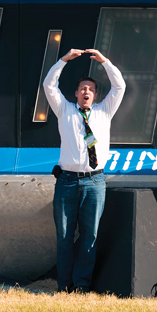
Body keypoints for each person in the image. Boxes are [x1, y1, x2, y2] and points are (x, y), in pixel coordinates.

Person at [43, 48, 125, 293]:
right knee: (65, 236)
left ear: (96, 94)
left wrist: (105, 62)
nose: (86, 92)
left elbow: (119, 86)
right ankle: (64, 284)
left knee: (89, 236)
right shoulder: (64, 110)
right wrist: (64, 60)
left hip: (95, 181)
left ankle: (81, 284)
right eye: (82, 89)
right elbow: (49, 84)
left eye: (90, 89)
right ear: (76, 94)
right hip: (67, 181)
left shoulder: (104, 112)